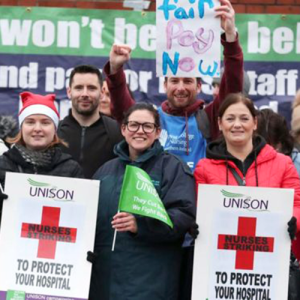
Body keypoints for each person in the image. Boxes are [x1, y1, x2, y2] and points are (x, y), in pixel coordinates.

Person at [104, 0, 243, 172]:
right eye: (175, 81)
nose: (181, 87)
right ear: (165, 84)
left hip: (197, 196)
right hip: (154, 196)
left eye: (188, 81)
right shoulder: (151, 119)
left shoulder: (209, 118)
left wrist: (230, 37)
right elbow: (121, 109)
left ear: (199, 86)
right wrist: (115, 69)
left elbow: (232, 88)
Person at [89, 103, 196, 300]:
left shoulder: (173, 168)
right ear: (123, 129)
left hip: (151, 285)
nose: (140, 131)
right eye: (134, 125)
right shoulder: (104, 171)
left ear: (157, 132)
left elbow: (183, 216)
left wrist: (141, 225)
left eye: (147, 126)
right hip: (105, 284)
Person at [194, 93, 300, 260]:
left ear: (255, 123)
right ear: (220, 124)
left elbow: (297, 204)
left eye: (244, 118)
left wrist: (294, 220)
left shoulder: (283, 164)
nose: (237, 125)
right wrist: (194, 225)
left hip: (271, 258)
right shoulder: (204, 168)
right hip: (221, 261)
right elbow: (198, 211)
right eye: (230, 119)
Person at [0, 92, 83, 224]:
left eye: (45, 123)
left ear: (54, 129)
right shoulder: (3, 164)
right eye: (30, 122)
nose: (37, 128)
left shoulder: (71, 169)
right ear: (22, 128)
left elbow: (80, 218)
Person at [57, 65, 123, 179]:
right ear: (69, 92)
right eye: (79, 88)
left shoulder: (116, 132)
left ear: (102, 92)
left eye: (91, 88)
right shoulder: (55, 132)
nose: (85, 94)